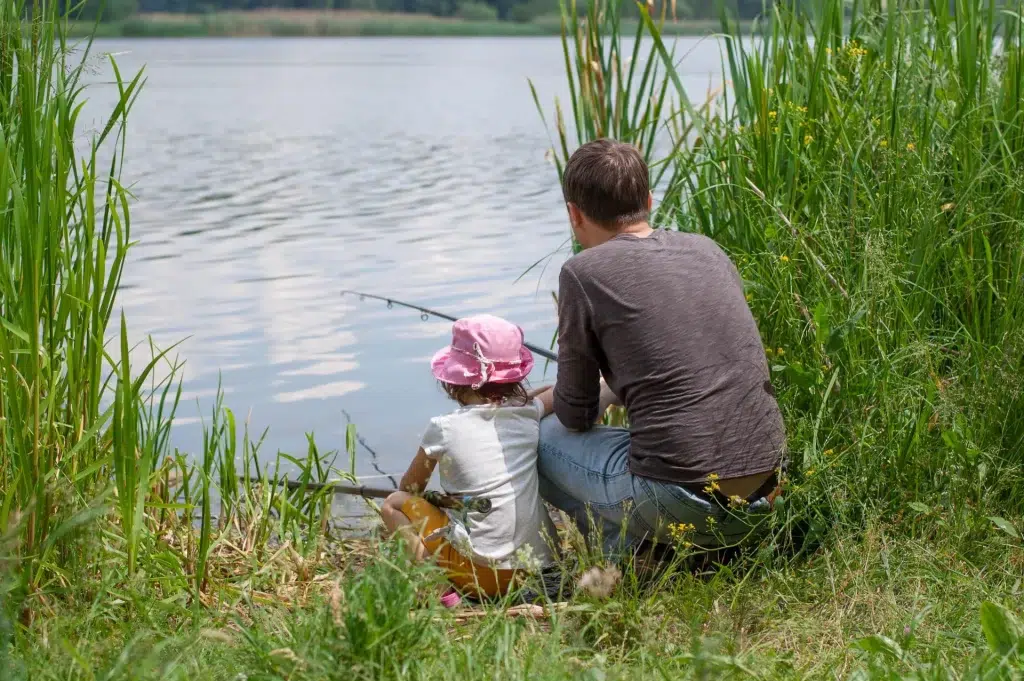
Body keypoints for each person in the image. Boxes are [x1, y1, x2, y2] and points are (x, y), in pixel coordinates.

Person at [532, 138, 787, 560]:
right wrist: (615, 386)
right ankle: (677, 554)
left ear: (574, 215)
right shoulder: (709, 251)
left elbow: (575, 415)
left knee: (538, 439)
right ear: (648, 201)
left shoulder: (581, 273)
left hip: (681, 501)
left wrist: (536, 404)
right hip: (766, 493)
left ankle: (629, 555)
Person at [381, 314, 559, 606]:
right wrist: (523, 399)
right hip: (539, 570)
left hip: (483, 580)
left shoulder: (443, 428)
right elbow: (554, 392)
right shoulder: (527, 413)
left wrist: (439, 498)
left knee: (393, 502)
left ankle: (438, 588)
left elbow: (410, 487)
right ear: (515, 378)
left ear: (455, 381)